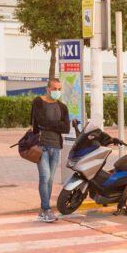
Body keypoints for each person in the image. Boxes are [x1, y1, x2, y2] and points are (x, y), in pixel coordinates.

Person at [31, 77, 71, 222]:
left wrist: (49, 124)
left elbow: (66, 128)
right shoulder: (38, 101)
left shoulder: (62, 107)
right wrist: (56, 124)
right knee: (45, 177)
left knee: (50, 180)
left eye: (59, 89)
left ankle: (43, 210)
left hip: (56, 146)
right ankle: (47, 209)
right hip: (41, 145)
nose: (57, 91)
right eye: (54, 89)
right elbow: (40, 121)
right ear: (48, 89)